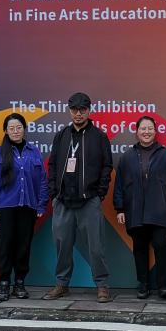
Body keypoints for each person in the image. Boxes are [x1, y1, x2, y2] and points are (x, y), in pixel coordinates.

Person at [43, 92, 114, 303]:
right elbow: (52, 165)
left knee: (96, 247)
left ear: (89, 111)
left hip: (89, 200)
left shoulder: (99, 136)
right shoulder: (61, 135)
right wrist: (54, 193)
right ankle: (62, 284)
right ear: (70, 111)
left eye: (82, 110)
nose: (78, 114)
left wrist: (100, 193)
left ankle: (102, 285)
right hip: (63, 201)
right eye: (74, 110)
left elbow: (107, 166)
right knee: (62, 245)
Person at [113, 116, 166, 299]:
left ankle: (163, 286)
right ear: (137, 132)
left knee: (161, 245)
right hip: (135, 210)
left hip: (160, 209)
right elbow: (119, 184)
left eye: (150, 128)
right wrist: (120, 208)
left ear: (155, 131)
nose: (146, 132)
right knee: (140, 247)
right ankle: (143, 284)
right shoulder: (127, 157)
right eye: (143, 128)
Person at [0, 113, 49, 302]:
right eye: (11, 128)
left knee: (23, 246)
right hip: (4, 207)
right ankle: (4, 283)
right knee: (5, 246)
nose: (15, 131)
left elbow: (42, 180)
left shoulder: (33, 151)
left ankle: (20, 282)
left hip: (27, 206)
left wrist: (41, 204)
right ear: (5, 130)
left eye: (19, 127)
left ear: (24, 129)